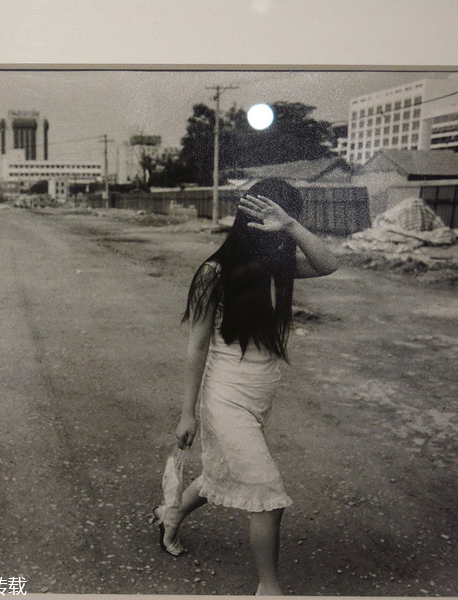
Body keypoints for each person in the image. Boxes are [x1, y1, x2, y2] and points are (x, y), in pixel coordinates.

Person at [150, 178, 339, 596]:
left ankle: (172, 514)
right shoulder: (214, 273)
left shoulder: (280, 265)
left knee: (219, 472)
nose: (271, 223)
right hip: (225, 394)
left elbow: (329, 263)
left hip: (260, 391)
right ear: (246, 216)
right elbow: (196, 345)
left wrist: (290, 227)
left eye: (284, 214)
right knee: (267, 495)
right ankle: (268, 589)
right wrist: (188, 412)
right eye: (265, 213)